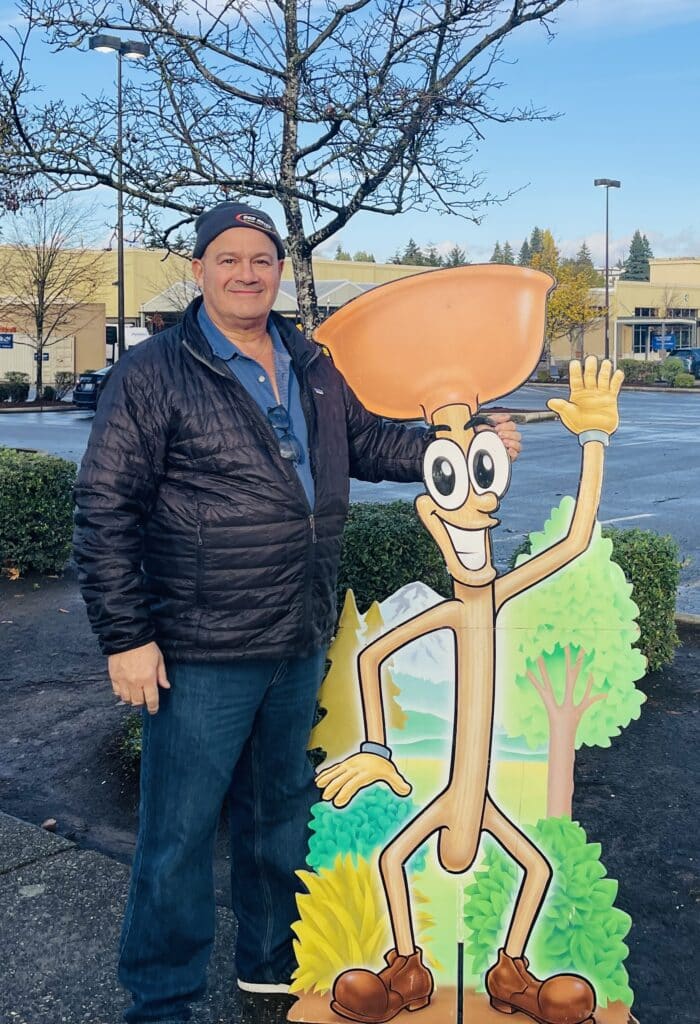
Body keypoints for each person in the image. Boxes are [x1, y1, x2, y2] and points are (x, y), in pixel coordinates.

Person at [73, 202, 522, 1024]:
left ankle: (271, 966)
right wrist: (126, 636)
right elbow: (104, 510)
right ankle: (161, 997)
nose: (247, 272)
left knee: (279, 819)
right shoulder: (155, 373)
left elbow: (376, 447)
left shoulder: (312, 363)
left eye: (262, 259)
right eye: (229, 258)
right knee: (176, 835)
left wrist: (464, 446)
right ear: (201, 270)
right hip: (201, 644)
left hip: (296, 635)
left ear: (278, 270)